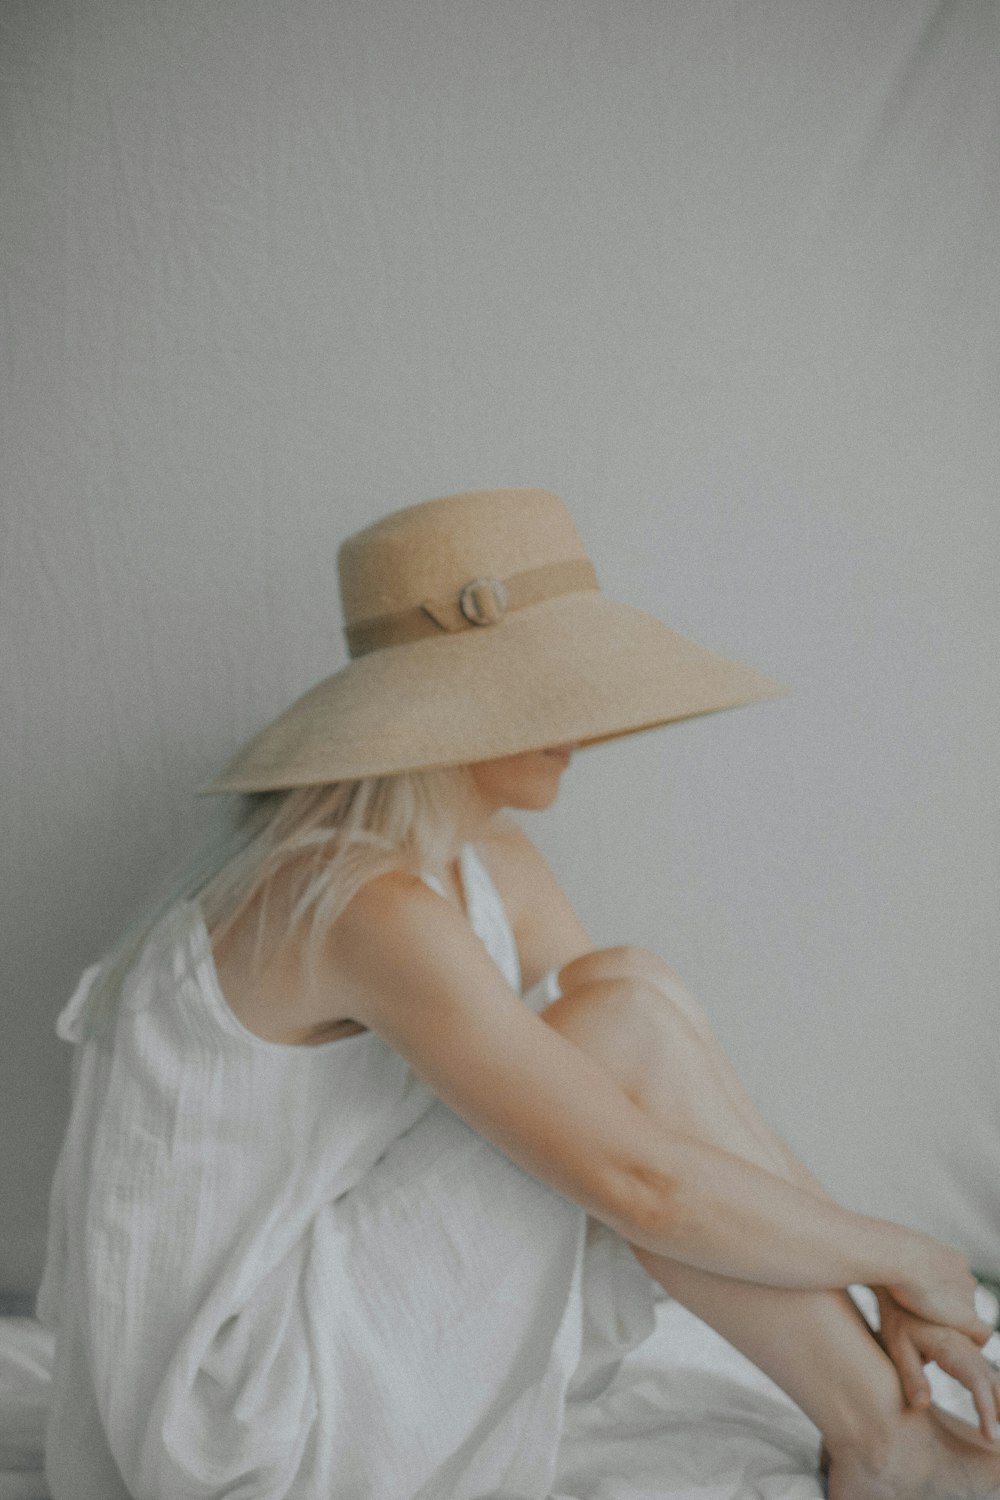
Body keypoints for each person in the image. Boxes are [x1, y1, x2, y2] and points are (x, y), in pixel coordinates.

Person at [38, 487, 1000, 1500]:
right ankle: (893, 1452)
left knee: (632, 989)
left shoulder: (492, 865)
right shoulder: (355, 900)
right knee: (623, 1022)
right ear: (439, 711)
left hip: (340, 1329)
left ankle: (886, 1433)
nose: (579, 721)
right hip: (238, 1424)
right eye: (541, 689)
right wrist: (907, 1256)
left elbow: (660, 1113)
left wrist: (878, 1281)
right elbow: (640, 1181)